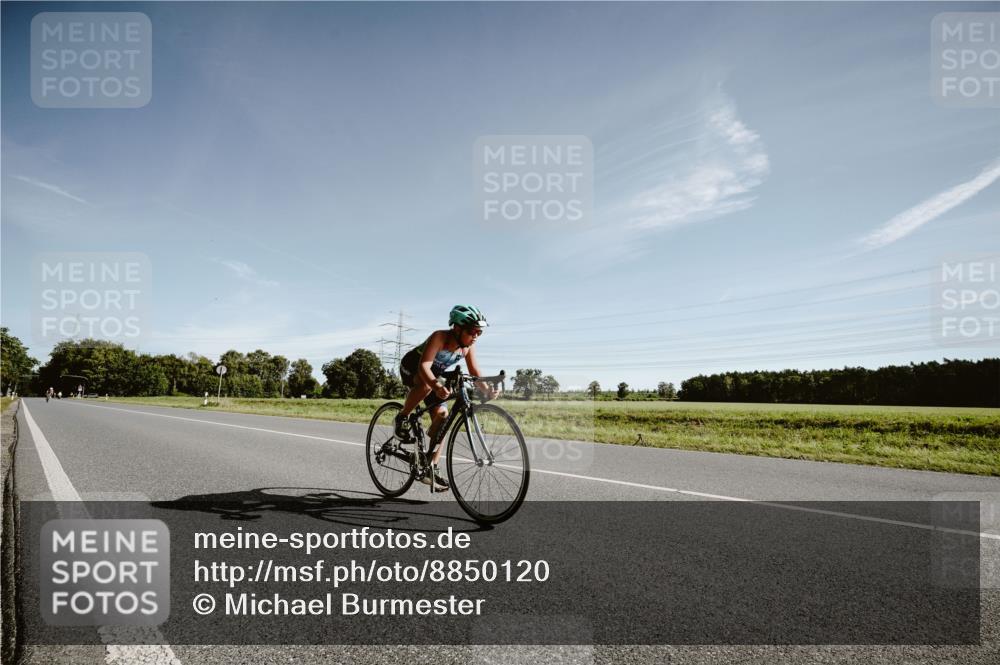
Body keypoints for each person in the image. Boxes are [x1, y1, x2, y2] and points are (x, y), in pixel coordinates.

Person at [395, 305, 498, 491]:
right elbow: (424, 367)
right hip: (413, 367)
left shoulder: (467, 347)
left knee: (443, 418)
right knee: (426, 385)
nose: (476, 335)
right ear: (457, 328)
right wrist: (437, 386)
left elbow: (474, 373)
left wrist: (486, 390)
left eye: (479, 332)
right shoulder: (440, 337)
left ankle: (430, 467)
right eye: (472, 331)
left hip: (435, 376)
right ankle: (402, 417)